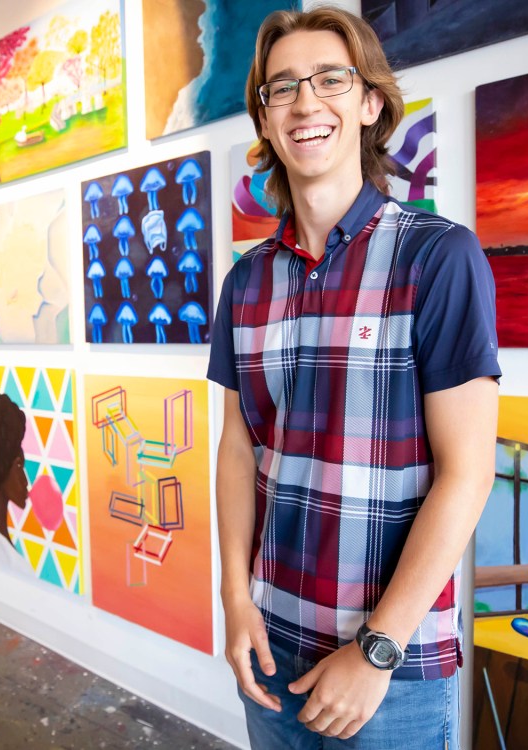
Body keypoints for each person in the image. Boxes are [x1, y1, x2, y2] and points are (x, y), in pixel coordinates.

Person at [208, 7, 501, 748]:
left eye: (330, 79)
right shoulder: (245, 281)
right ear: (266, 122)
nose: (306, 102)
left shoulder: (437, 258)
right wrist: (234, 599)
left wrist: (376, 651)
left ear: (370, 104)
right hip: (270, 649)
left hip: (391, 673)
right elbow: (239, 450)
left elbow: (467, 475)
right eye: (282, 88)